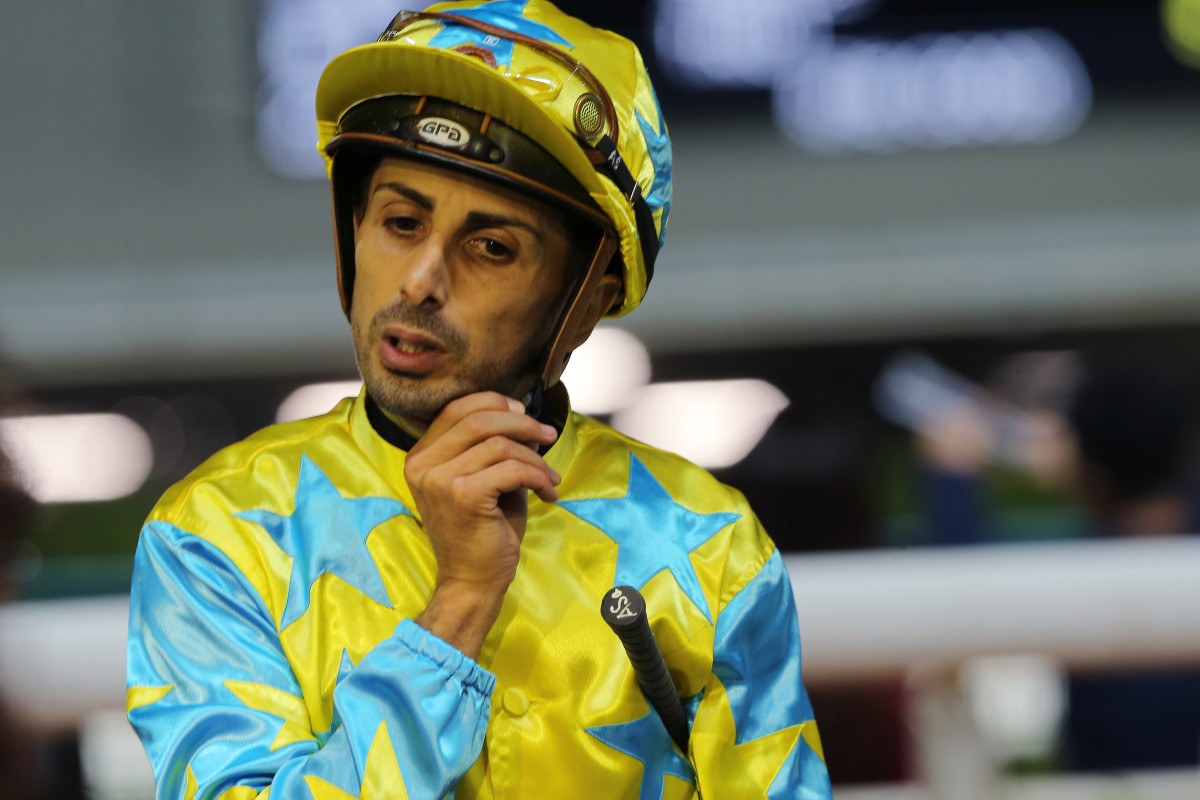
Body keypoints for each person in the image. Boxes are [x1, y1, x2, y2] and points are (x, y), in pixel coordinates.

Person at [125, 2, 831, 797]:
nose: (420, 281)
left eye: (491, 247)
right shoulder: (215, 534)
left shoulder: (712, 546)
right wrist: (459, 604)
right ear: (352, 233)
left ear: (587, 304)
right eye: (401, 222)